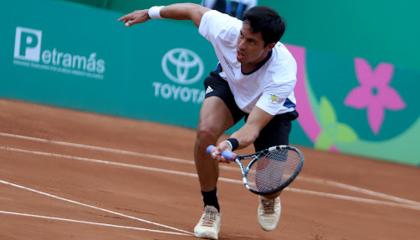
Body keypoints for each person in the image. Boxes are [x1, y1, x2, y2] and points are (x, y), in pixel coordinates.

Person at [119, 3, 298, 239]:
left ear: (270, 46)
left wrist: (230, 144)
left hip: (270, 110)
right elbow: (193, 10)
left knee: (269, 183)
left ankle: (269, 197)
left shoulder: (282, 72)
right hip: (231, 86)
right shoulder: (226, 30)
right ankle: (210, 208)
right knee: (205, 132)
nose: (241, 45)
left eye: (251, 41)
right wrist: (150, 13)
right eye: (242, 36)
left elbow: (253, 126)